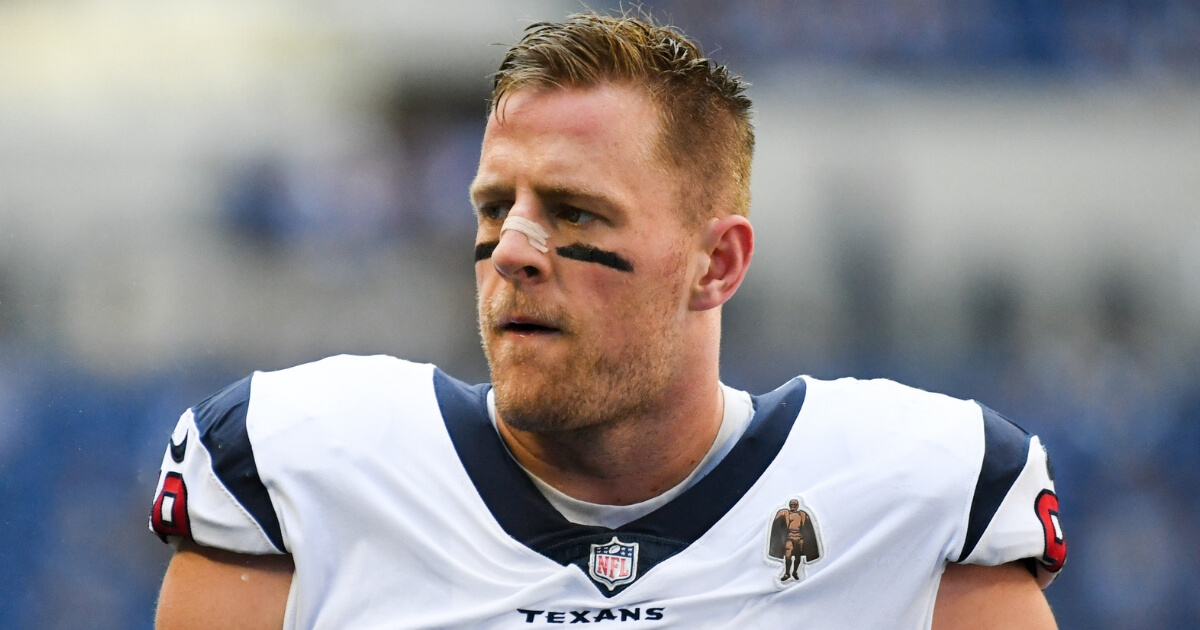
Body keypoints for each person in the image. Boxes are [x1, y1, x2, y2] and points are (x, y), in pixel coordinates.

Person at [149, 11, 1067, 629]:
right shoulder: (293, 472)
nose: (512, 250)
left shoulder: (922, 495)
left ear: (718, 263)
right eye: (492, 206)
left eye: (575, 212)